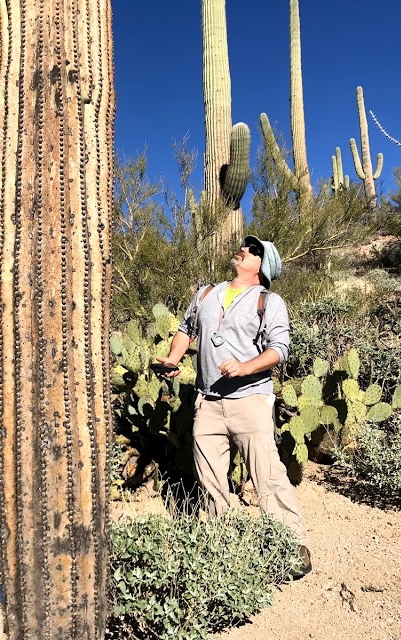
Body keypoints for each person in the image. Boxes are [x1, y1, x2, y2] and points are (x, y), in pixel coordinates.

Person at [157, 235, 312, 578]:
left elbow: (279, 349)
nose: (245, 250)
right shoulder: (206, 293)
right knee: (211, 480)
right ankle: (222, 546)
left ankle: (291, 546)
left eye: (254, 251)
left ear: (262, 267)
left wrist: (246, 366)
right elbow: (186, 329)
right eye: (246, 247)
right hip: (207, 402)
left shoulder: (268, 301)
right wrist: (172, 358)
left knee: (268, 476)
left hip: (251, 400)